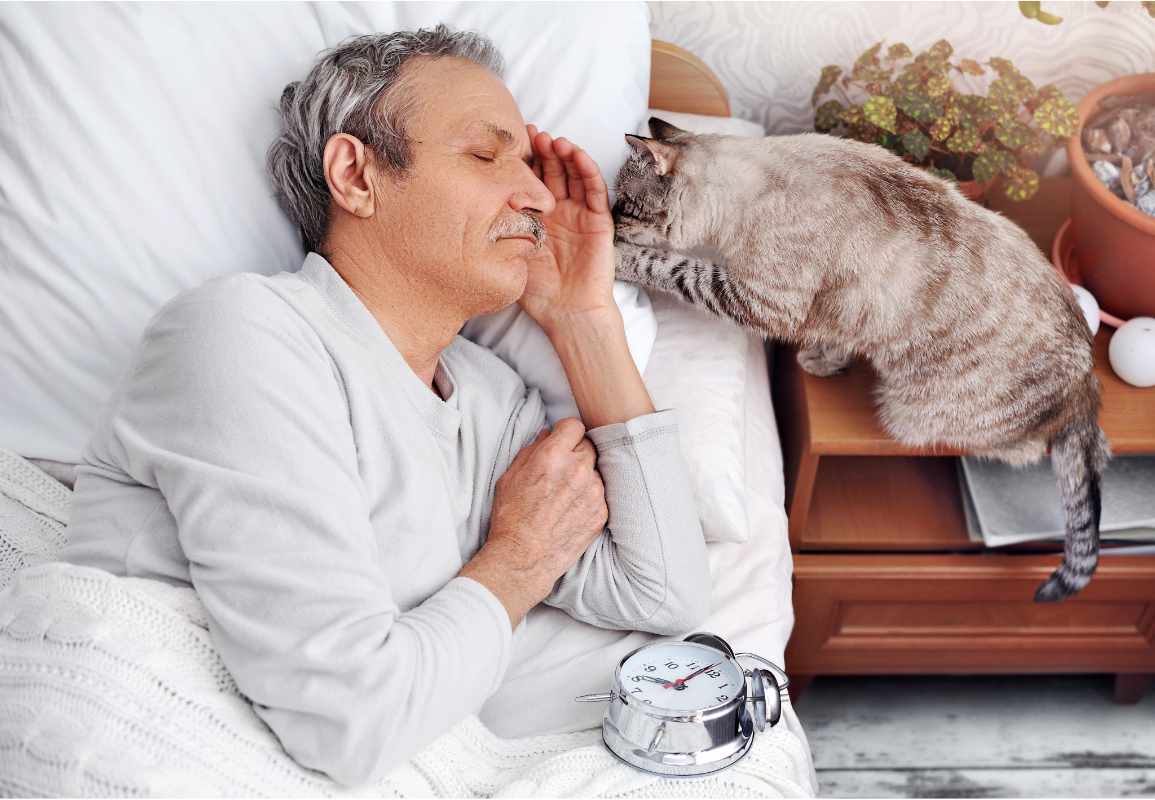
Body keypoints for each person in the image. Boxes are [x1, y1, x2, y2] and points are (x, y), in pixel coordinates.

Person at [60, 25, 710, 786]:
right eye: (485, 155)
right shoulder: (242, 332)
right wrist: (518, 560)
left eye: (530, 165)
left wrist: (583, 319)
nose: (537, 195)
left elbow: (664, 593)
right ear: (356, 175)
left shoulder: (488, 399)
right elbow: (346, 719)